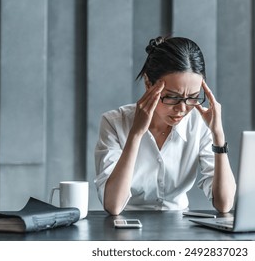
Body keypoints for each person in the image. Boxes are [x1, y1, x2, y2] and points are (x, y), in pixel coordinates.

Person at [94, 36, 236, 215]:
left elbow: (224, 204)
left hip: (181, 228)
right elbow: (113, 206)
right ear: (148, 83)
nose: (182, 109)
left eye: (192, 97)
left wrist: (218, 135)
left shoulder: (200, 125)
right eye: (173, 97)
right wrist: (136, 134)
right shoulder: (114, 123)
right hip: (127, 226)